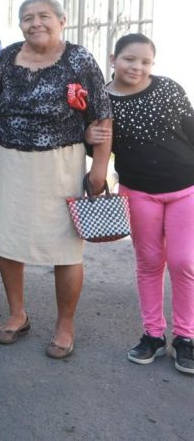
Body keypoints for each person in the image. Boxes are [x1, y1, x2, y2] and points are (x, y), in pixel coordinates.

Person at [0, 0, 111, 358]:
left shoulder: (79, 58)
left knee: (65, 247)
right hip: (10, 161)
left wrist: (99, 169)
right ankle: (17, 315)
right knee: (9, 240)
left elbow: (102, 116)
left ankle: (65, 325)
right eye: (28, 17)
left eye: (44, 16)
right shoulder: (7, 58)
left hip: (61, 162)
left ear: (62, 20)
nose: (36, 23)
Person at [87, 33, 194, 374]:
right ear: (113, 58)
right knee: (149, 262)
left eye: (145, 62)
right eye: (130, 59)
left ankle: (185, 337)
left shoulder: (168, 89)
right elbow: (97, 151)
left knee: (183, 262)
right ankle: (152, 334)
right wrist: (88, 138)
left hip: (186, 189)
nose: (137, 67)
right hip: (138, 192)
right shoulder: (102, 100)